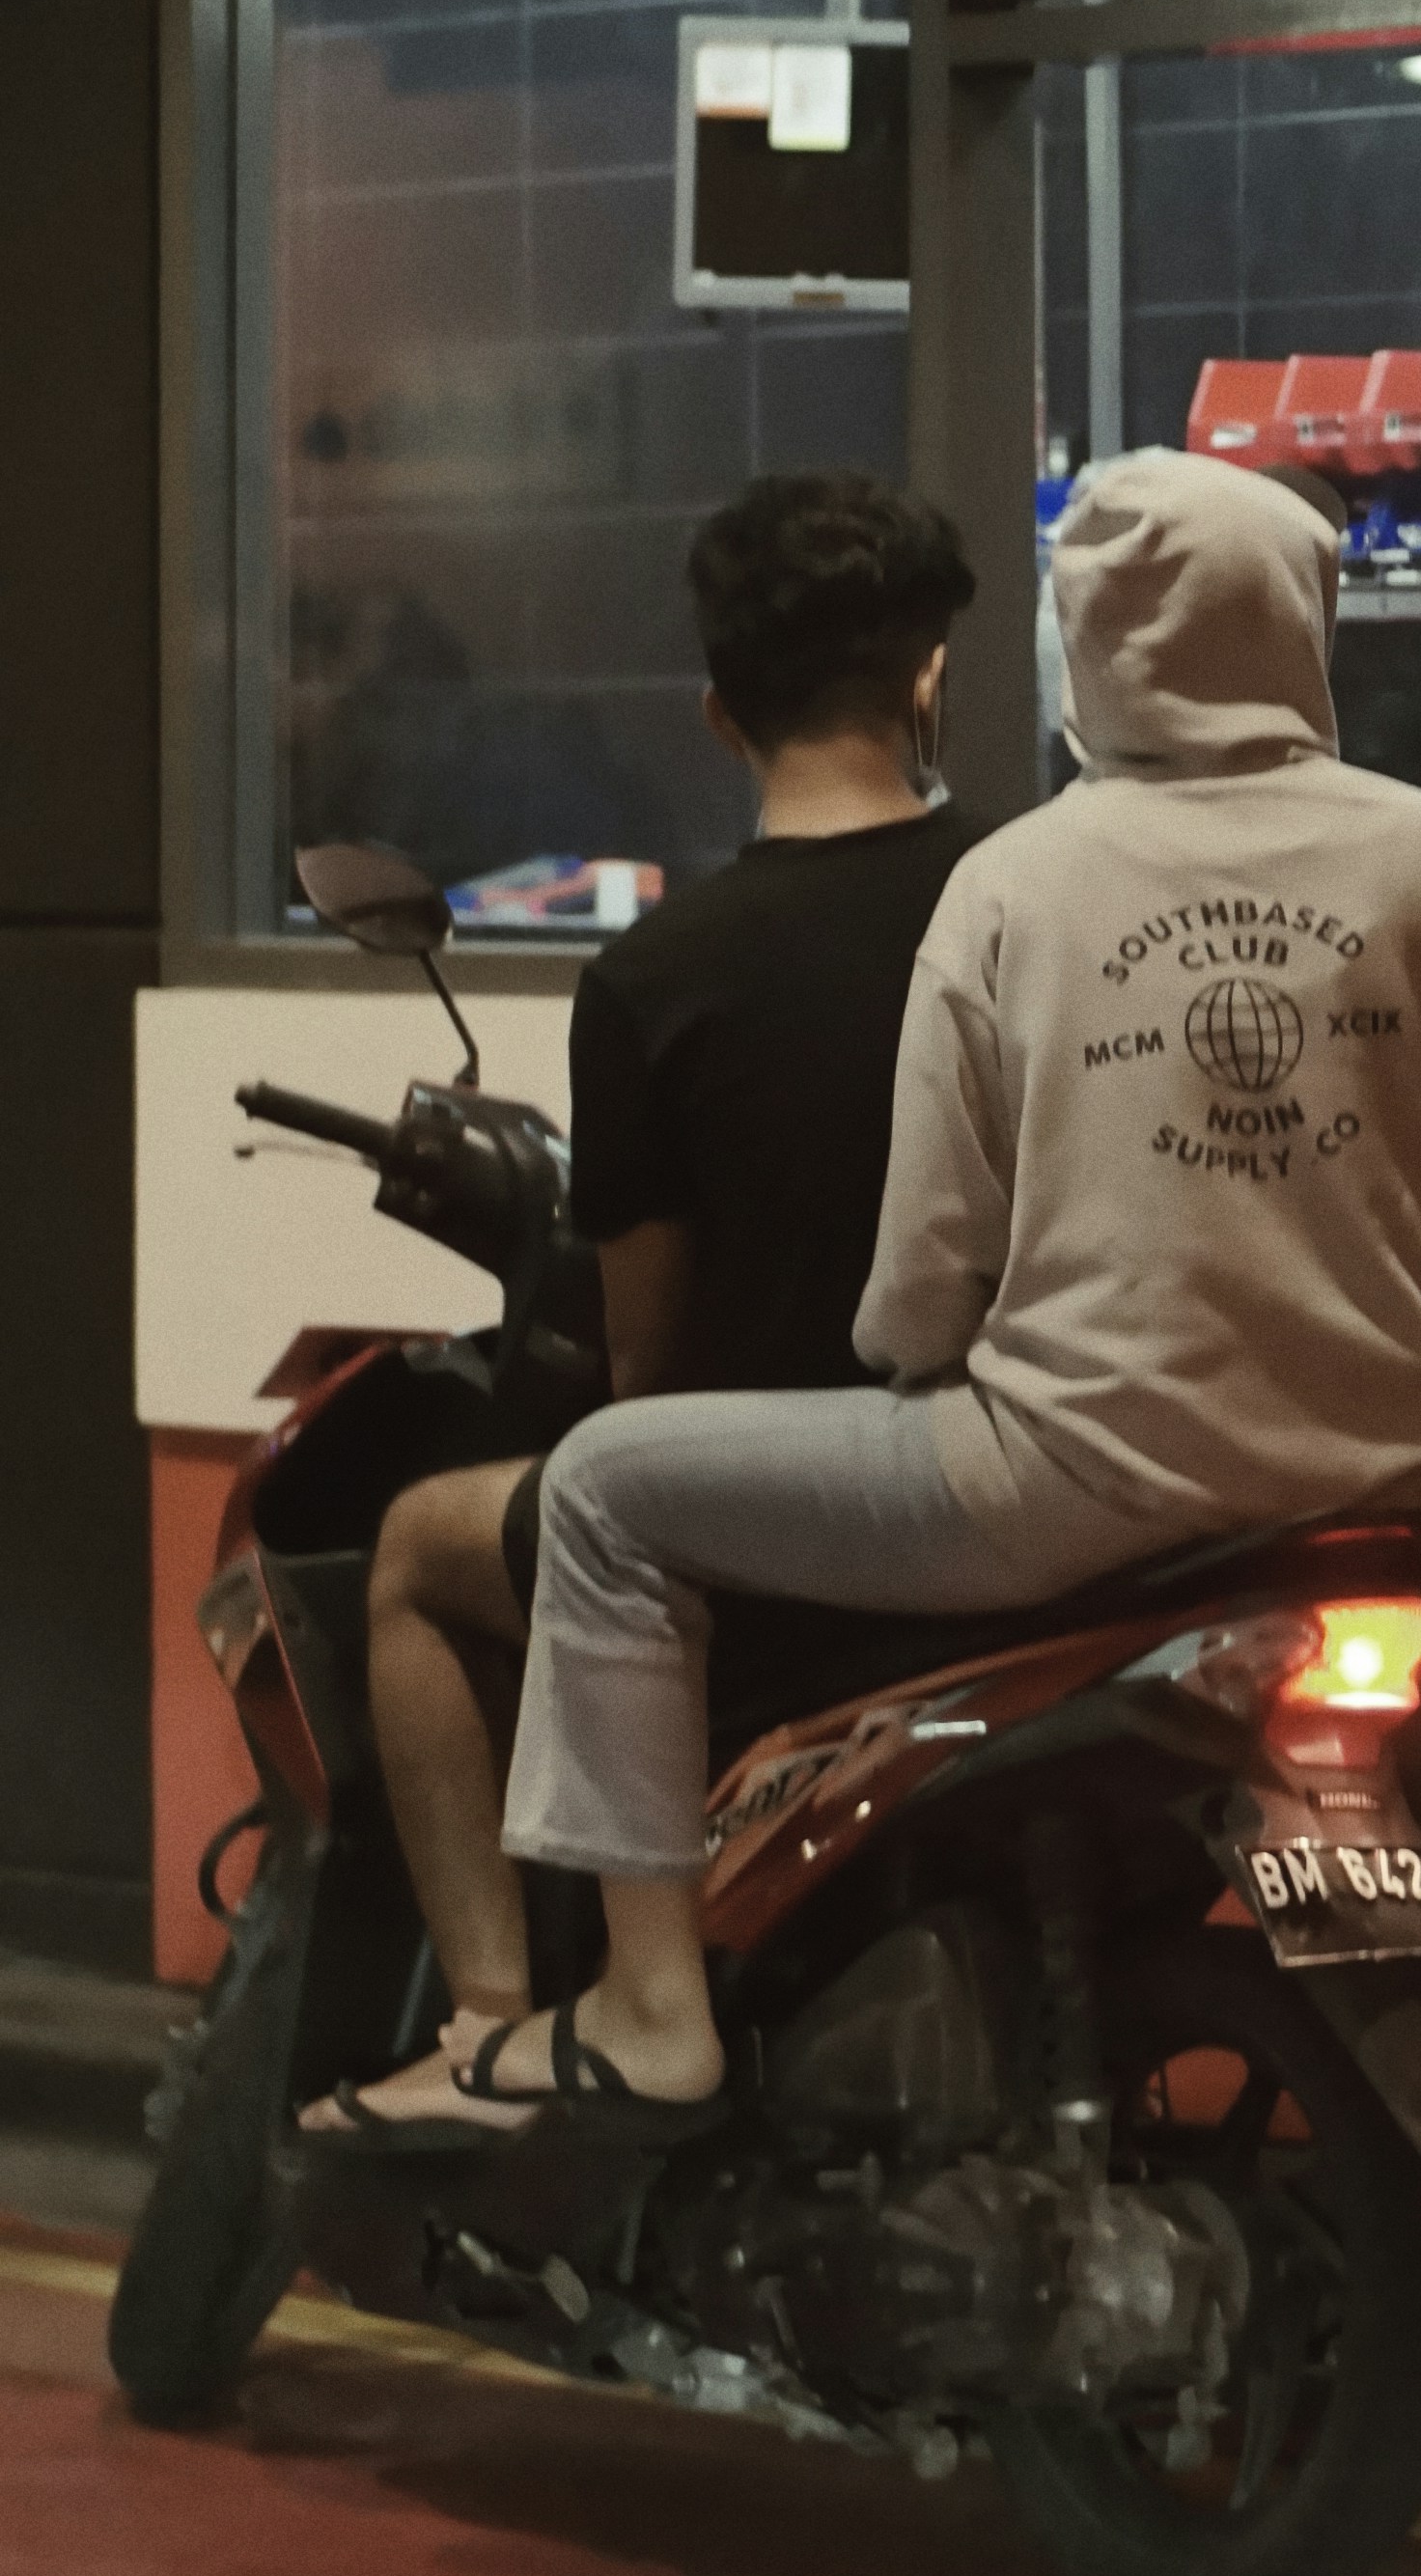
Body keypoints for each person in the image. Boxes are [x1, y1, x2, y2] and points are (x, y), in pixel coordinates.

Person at [451, 444, 1421, 2297]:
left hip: (1075, 1496)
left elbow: (921, 1291)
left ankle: (643, 2004)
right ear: (1302, 615)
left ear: (1084, 645)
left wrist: (926, 1363)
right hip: (1399, 1494)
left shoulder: (1021, 888)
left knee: (612, 1487)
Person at [314, 472, 981, 2135]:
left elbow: (650, 1359)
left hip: (775, 1543)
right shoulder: (1020, 907)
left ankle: (491, 2022)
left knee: (413, 1551)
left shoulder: (658, 981)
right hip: (1016, 1492)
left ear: (715, 714)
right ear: (929, 677)